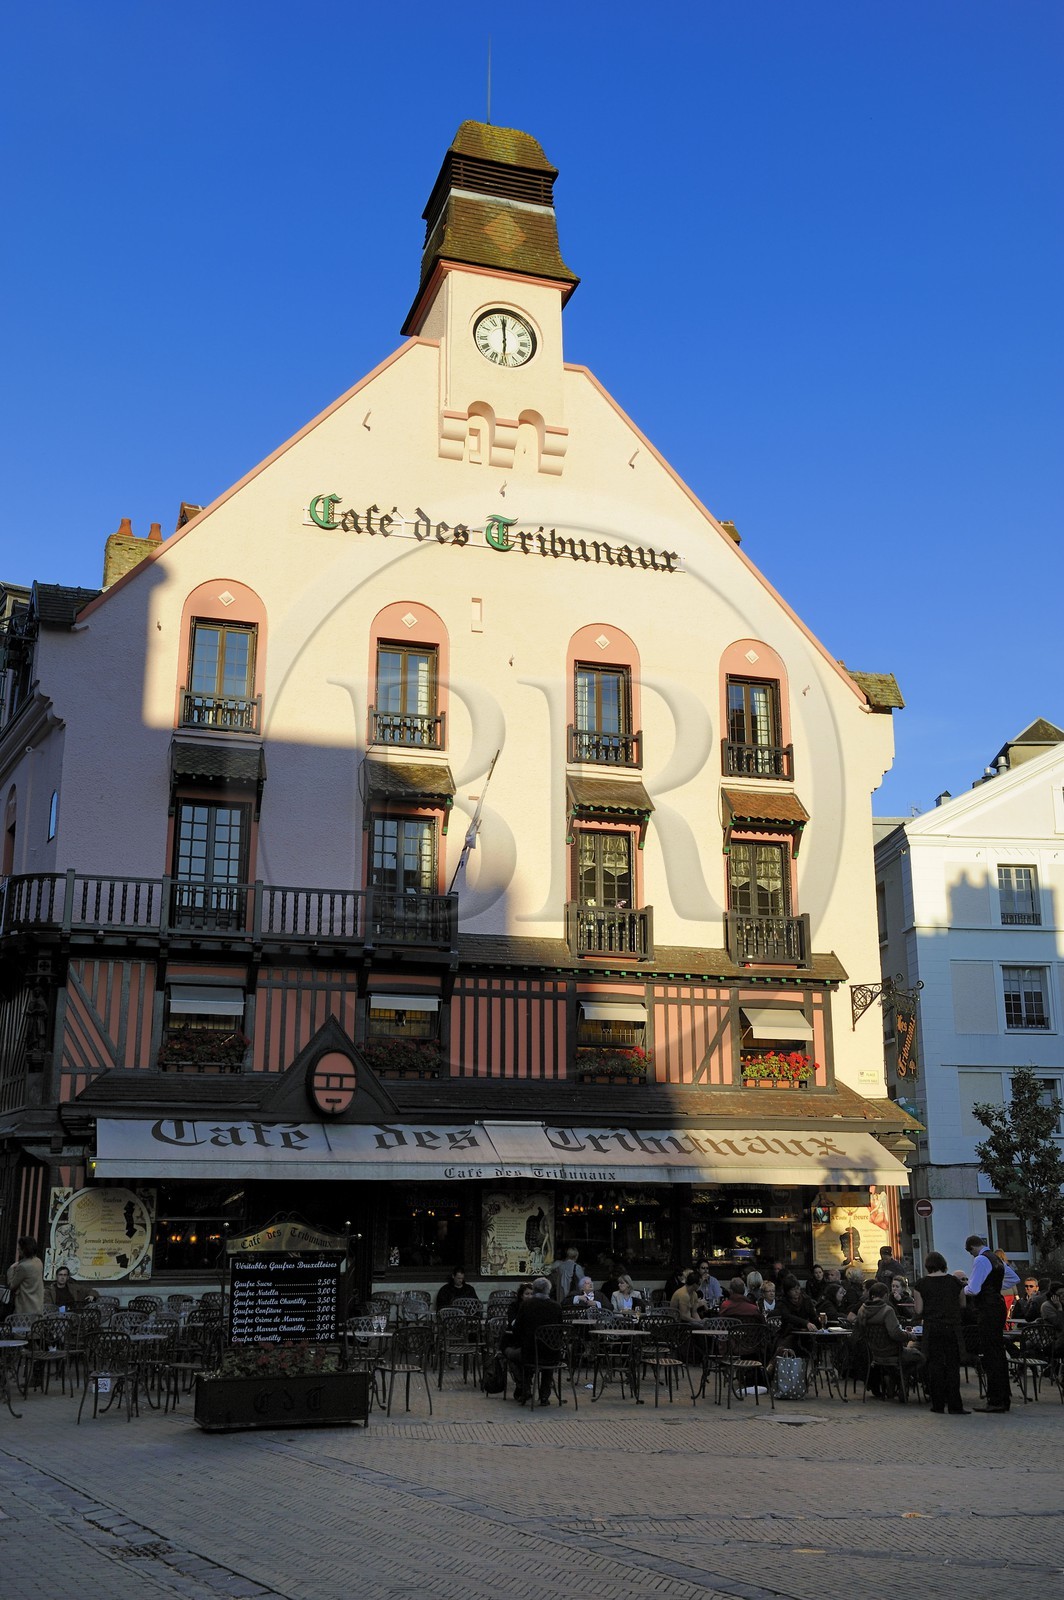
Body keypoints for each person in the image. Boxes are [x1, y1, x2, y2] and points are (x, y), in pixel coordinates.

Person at [913, 1251, 968, 1414]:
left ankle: (937, 1404)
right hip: (952, 1327)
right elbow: (963, 1304)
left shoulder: (921, 1284)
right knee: (952, 1366)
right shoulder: (955, 1282)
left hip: (933, 1328)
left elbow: (919, 1310)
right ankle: (955, 1405)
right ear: (943, 1264)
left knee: (935, 1366)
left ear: (927, 1265)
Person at [964, 1234, 1010, 1413]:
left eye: (971, 1253)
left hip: (987, 1308)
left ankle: (995, 1399)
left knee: (990, 1354)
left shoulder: (981, 1259)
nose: (972, 1256)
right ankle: (1003, 1397)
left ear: (972, 1248)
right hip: (998, 1305)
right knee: (998, 1353)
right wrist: (995, 1287)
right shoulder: (997, 1259)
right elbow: (1013, 1278)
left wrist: (963, 1288)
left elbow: (973, 1289)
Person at [857, 1281, 925, 1395]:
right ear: (885, 1295)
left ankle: (895, 1379)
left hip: (874, 1353)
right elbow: (895, 1333)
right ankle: (903, 1377)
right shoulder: (887, 1311)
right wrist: (909, 1336)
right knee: (921, 1358)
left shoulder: (862, 1310)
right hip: (893, 1352)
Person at [507, 1275, 563, 1404]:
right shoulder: (556, 1306)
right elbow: (560, 1330)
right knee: (547, 1359)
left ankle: (525, 1388)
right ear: (548, 1290)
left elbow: (517, 1329)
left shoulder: (526, 1305)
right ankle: (544, 1396)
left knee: (509, 1353)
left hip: (530, 1353)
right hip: (553, 1354)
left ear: (535, 1289)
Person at [6, 1236, 45, 1319]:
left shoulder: (23, 1267)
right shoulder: (38, 1261)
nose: (18, 1249)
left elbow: (12, 1285)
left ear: (24, 1249)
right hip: (36, 1306)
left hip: (24, 1307)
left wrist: (10, 1270)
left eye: (20, 1247)